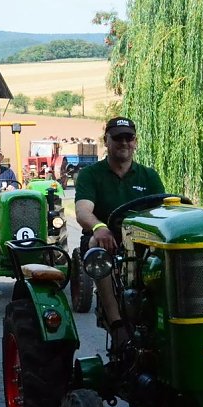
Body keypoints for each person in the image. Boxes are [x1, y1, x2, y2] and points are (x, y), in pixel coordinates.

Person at [75, 116, 165, 345]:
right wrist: (99, 227)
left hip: (143, 243)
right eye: (118, 138)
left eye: (129, 137)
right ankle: (116, 323)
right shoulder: (91, 175)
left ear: (135, 142)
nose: (124, 143)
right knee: (97, 246)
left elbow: (164, 213)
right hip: (109, 242)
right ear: (107, 141)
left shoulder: (149, 176)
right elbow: (83, 211)